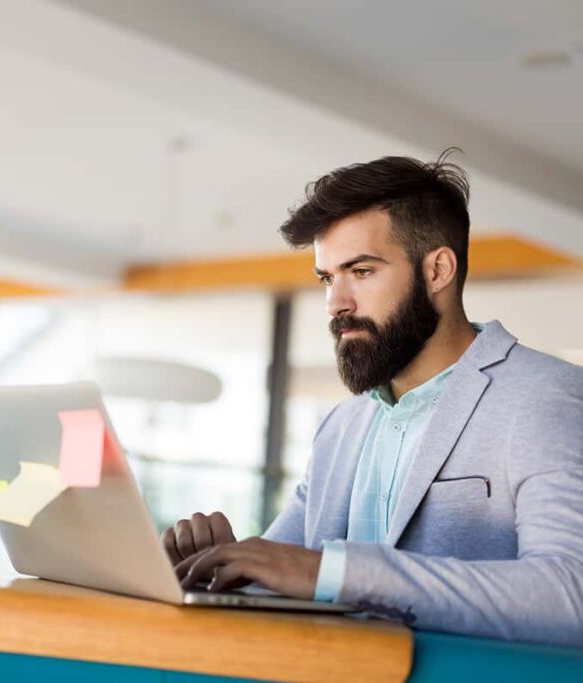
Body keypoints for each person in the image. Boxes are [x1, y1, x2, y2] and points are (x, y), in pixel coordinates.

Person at [163, 150, 583, 647]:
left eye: (360, 271)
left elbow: (570, 596)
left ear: (438, 270)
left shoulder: (546, 395)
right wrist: (216, 568)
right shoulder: (340, 426)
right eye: (327, 278)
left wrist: (336, 572)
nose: (336, 303)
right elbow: (288, 570)